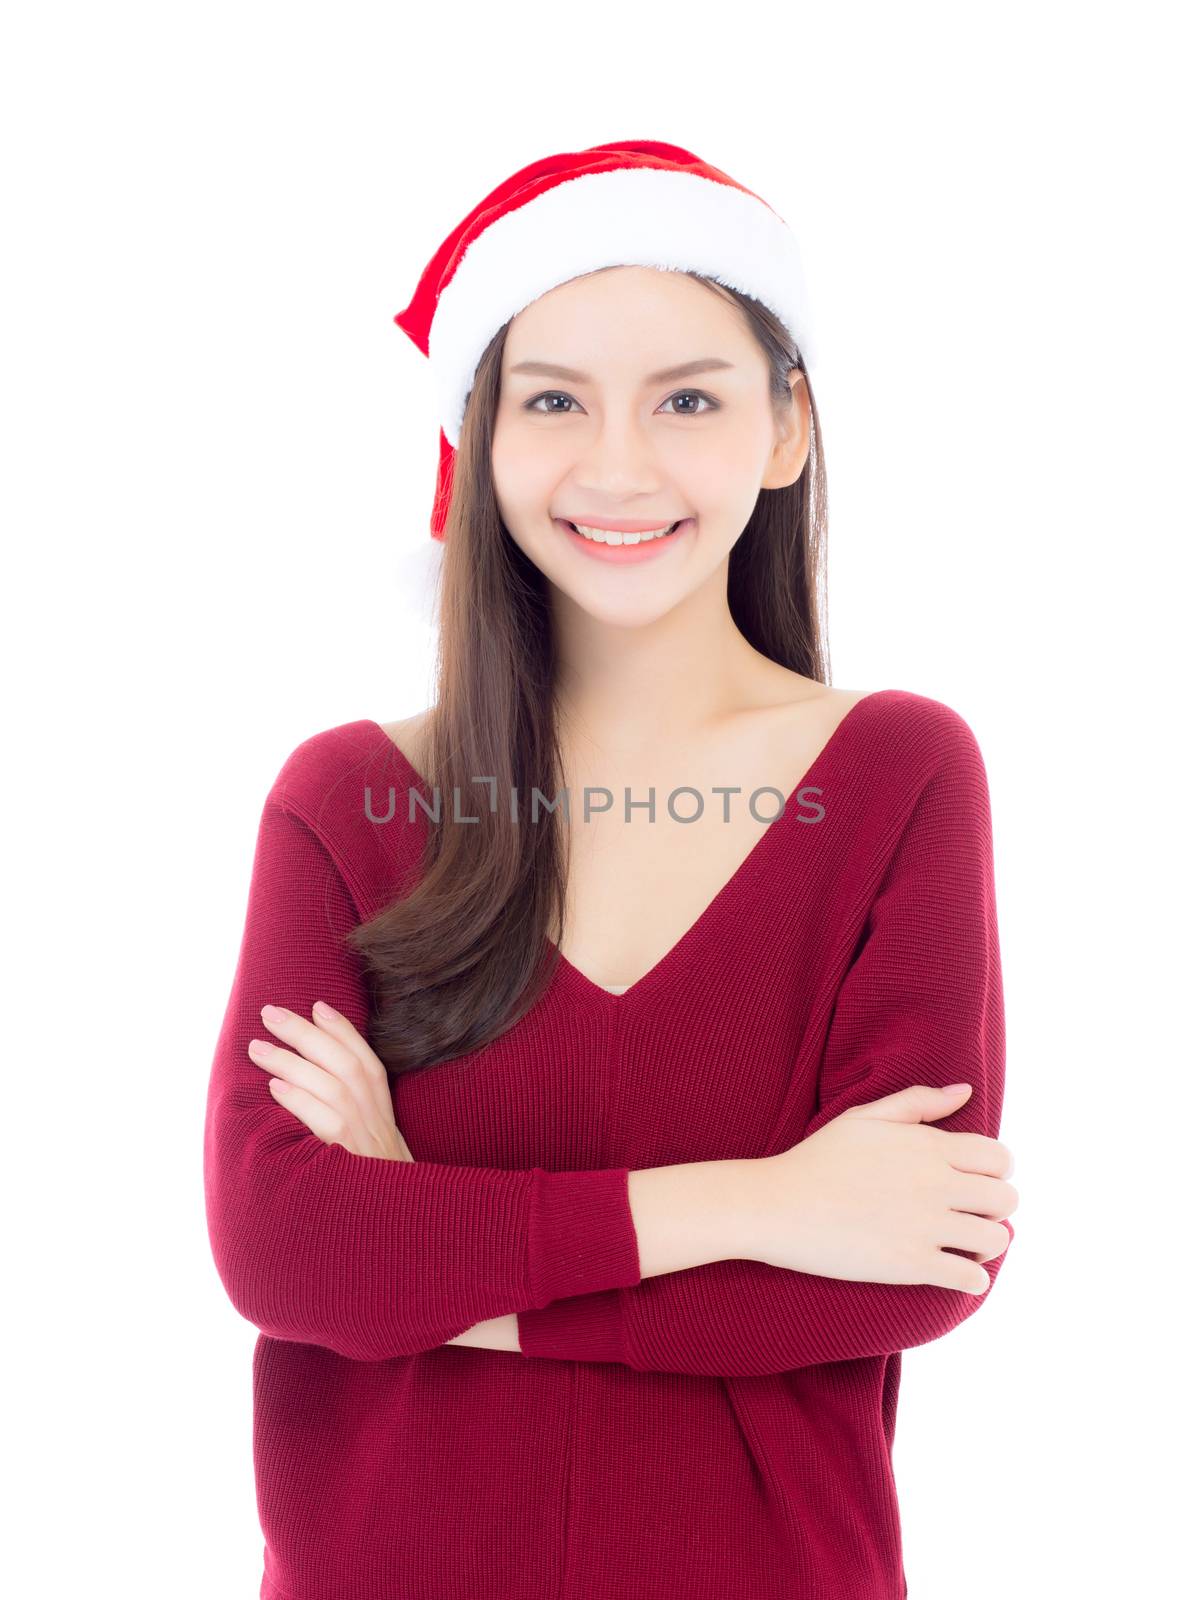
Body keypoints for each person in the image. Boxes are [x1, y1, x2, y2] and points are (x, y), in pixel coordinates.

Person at [204, 139, 1018, 1600]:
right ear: (484, 437)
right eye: (555, 400)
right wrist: (763, 1206)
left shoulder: (897, 777)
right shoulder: (349, 802)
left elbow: (911, 1258)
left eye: (688, 399)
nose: (619, 465)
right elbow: (286, 1253)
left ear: (786, 431)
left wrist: (441, 1268)